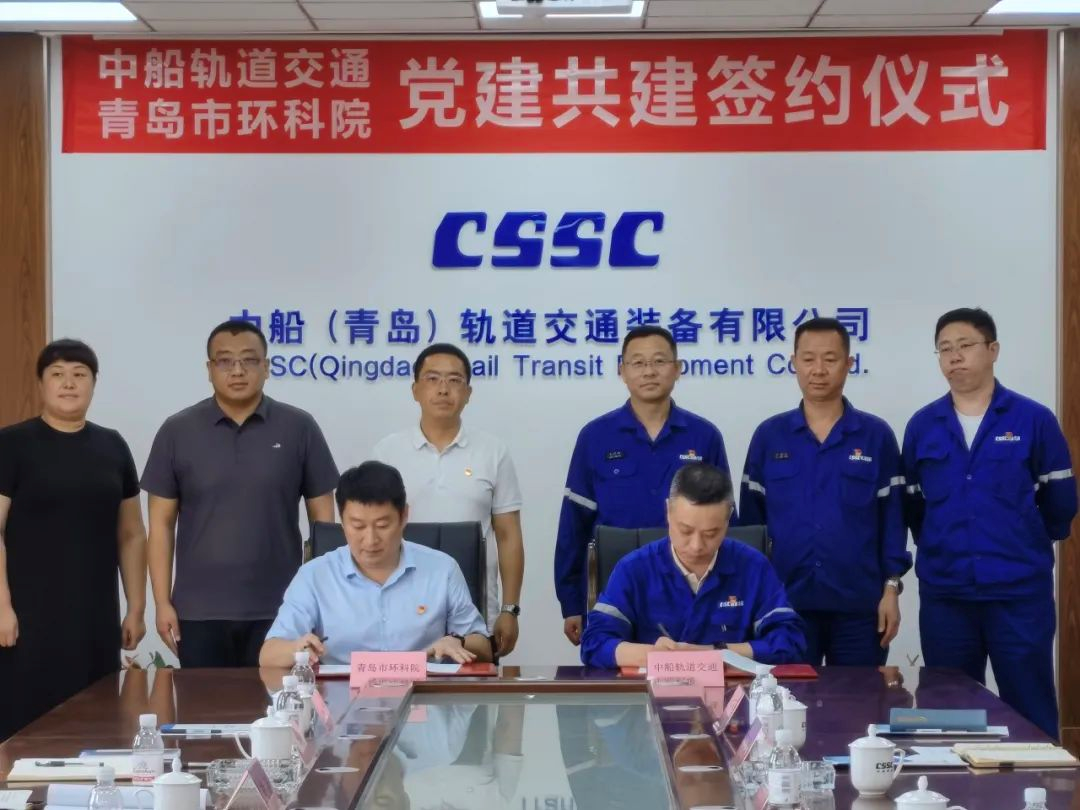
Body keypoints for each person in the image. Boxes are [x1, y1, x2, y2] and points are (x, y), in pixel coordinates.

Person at [903, 307, 1077, 739]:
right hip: (947, 594)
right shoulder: (923, 425)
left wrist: (1024, 540)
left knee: (1030, 703)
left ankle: (1039, 783)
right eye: (945, 349)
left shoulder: (1033, 419)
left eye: (965, 345)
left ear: (993, 350)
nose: (954, 357)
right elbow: (914, 507)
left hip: (1018, 593)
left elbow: (1059, 502)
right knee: (947, 711)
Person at [142, 321, 338, 668]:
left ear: (267, 367)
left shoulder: (299, 427)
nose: (237, 371)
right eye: (224, 361)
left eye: (249, 360)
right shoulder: (177, 430)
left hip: (281, 608)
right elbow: (160, 527)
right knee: (202, 704)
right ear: (209, 369)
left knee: (277, 702)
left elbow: (324, 526)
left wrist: (317, 598)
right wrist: (161, 603)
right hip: (198, 612)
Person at [739, 317, 911, 665]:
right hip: (784, 605)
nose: (818, 370)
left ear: (849, 363)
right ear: (793, 363)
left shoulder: (875, 436)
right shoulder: (769, 436)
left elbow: (894, 522)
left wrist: (891, 588)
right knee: (786, 697)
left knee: (858, 697)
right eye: (808, 359)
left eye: (830, 359)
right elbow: (750, 528)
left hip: (860, 606)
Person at [0, 340, 147, 740]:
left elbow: (131, 533)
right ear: (41, 384)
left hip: (94, 614)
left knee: (94, 719)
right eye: (57, 374)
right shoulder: (12, 444)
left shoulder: (112, 446)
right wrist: (2, 606)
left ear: (94, 383)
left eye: (79, 374)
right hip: (26, 617)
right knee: (24, 725)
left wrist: (136, 607)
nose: (69, 383)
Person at [555, 326, 732, 646]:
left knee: (692, 672)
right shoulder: (596, 436)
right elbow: (574, 526)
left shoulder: (704, 436)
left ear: (677, 369)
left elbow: (725, 523)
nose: (649, 371)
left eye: (659, 361)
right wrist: (571, 603)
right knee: (613, 672)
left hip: (691, 590)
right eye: (637, 362)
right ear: (622, 371)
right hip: (614, 591)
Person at [259, 461, 491, 667]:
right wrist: (296, 649)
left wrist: (458, 641)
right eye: (358, 526)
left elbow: (484, 646)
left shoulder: (442, 569)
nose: (370, 540)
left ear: (404, 516)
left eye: (382, 525)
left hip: (423, 695)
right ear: (342, 521)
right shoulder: (314, 575)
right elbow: (268, 654)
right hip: (340, 698)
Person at [373, 343, 524, 657]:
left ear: (468, 393)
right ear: (415, 390)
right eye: (432, 379)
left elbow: (508, 535)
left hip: (474, 606)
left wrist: (509, 609)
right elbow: (371, 530)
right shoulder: (387, 452)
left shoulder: (492, 451)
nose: (443, 389)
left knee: (474, 684)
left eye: (454, 380)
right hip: (402, 604)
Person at [580, 463, 805, 668]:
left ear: (728, 520)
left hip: (734, 696)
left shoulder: (753, 567)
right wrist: (654, 656)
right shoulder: (633, 569)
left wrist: (717, 654)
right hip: (651, 695)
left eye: (711, 533)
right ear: (668, 511)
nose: (697, 546)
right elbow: (594, 643)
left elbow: (790, 641)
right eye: (685, 530)